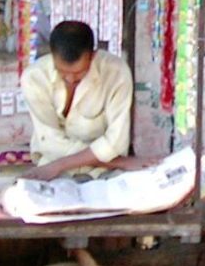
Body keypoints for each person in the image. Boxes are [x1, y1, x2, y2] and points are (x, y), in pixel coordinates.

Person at [20, 20, 137, 181]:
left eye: (79, 72)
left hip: (105, 172)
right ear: (52, 56)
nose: (70, 79)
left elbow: (116, 142)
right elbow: (49, 141)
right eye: (62, 72)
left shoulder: (116, 73)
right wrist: (121, 162)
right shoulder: (34, 77)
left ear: (93, 56)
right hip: (52, 166)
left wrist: (60, 165)